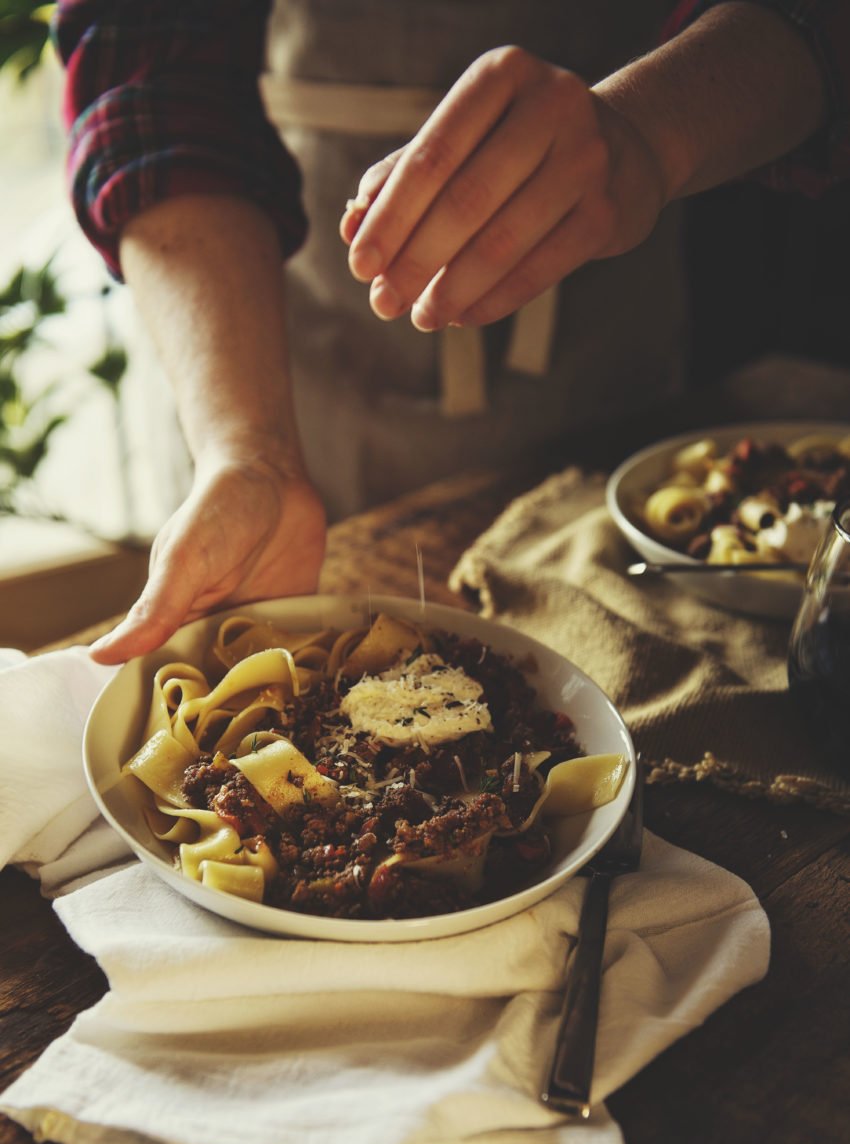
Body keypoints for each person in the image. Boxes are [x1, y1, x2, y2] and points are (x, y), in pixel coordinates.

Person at [52, 1, 848, 664]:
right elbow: (145, 69)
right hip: (259, 324)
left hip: (611, 315)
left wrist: (649, 131)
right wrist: (246, 445)